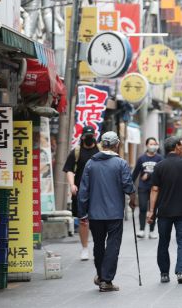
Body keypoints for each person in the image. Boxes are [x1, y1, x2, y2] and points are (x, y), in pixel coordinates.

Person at [78, 131, 136, 293]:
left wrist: (82, 213)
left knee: (98, 244)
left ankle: (101, 275)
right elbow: (128, 186)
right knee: (113, 246)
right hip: (115, 213)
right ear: (117, 144)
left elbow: (83, 191)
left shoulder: (91, 163)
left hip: (95, 214)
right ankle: (106, 280)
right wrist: (132, 198)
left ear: (101, 144)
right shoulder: (120, 163)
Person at [147, 137, 182, 284]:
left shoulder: (159, 166)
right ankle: (181, 272)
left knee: (163, 241)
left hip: (164, 211)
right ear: (176, 147)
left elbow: (155, 189)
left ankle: (164, 273)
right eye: (180, 146)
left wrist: (151, 211)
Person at [63, 125, 99, 260]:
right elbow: (69, 170)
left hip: (98, 191)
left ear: (95, 136)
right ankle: (84, 248)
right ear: (82, 137)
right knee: (83, 220)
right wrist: (72, 184)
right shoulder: (76, 152)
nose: (89, 138)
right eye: (86, 136)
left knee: (98, 220)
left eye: (91, 136)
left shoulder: (100, 150)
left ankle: (98, 245)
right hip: (81, 191)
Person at [131, 137, 163, 239]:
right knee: (143, 207)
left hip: (156, 188)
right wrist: (130, 186)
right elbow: (135, 173)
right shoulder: (142, 158)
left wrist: (149, 174)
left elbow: (162, 173)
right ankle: (141, 229)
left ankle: (152, 230)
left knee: (153, 209)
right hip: (143, 187)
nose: (153, 146)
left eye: (154, 144)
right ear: (147, 145)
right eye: (151, 144)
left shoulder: (160, 158)